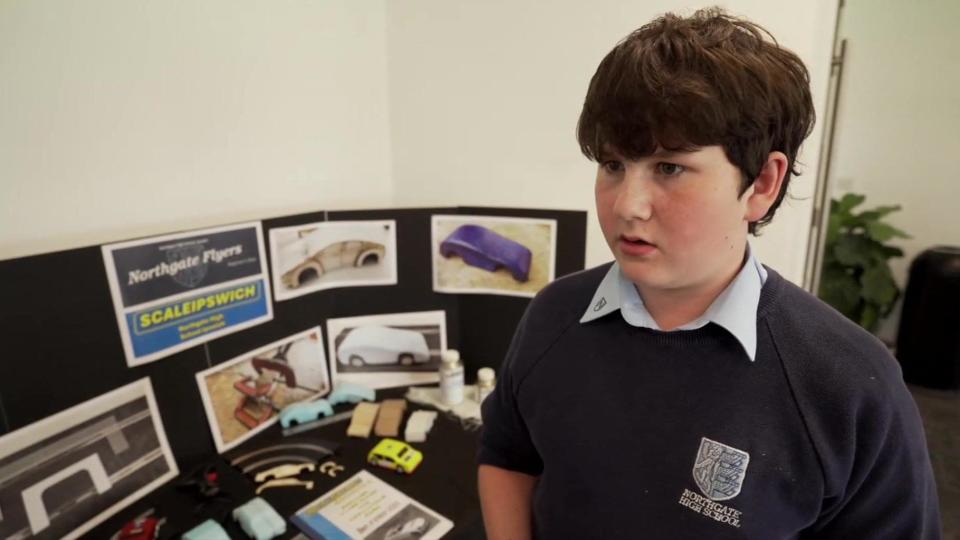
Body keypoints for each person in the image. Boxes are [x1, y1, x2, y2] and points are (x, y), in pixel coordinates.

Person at [477, 7, 941, 539]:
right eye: (612, 165)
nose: (627, 205)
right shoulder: (552, 315)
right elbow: (507, 454)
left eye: (670, 168)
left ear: (762, 183)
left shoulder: (852, 386)